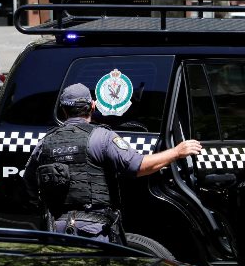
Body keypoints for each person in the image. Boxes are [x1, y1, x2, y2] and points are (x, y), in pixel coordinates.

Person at [23, 83, 202, 244]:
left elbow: (28, 180)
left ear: (63, 110)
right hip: (92, 232)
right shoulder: (102, 137)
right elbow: (137, 166)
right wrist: (176, 152)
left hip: (56, 231)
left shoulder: (46, 141)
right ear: (93, 106)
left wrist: (42, 207)